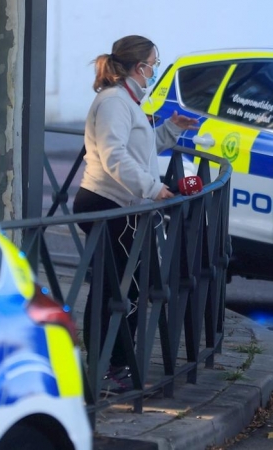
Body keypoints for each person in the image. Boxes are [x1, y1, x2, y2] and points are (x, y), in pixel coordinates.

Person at [73, 35, 198, 391]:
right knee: (120, 290)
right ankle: (110, 368)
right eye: (154, 64)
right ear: (138, 66)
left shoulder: (126, 101)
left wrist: (170, 130)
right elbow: (114, 157)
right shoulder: (114, 102)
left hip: (120, 206)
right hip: (112, 206)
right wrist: (153, 188)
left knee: (120, 287)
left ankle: (109, 366)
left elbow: (137, 151)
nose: (155, 70)